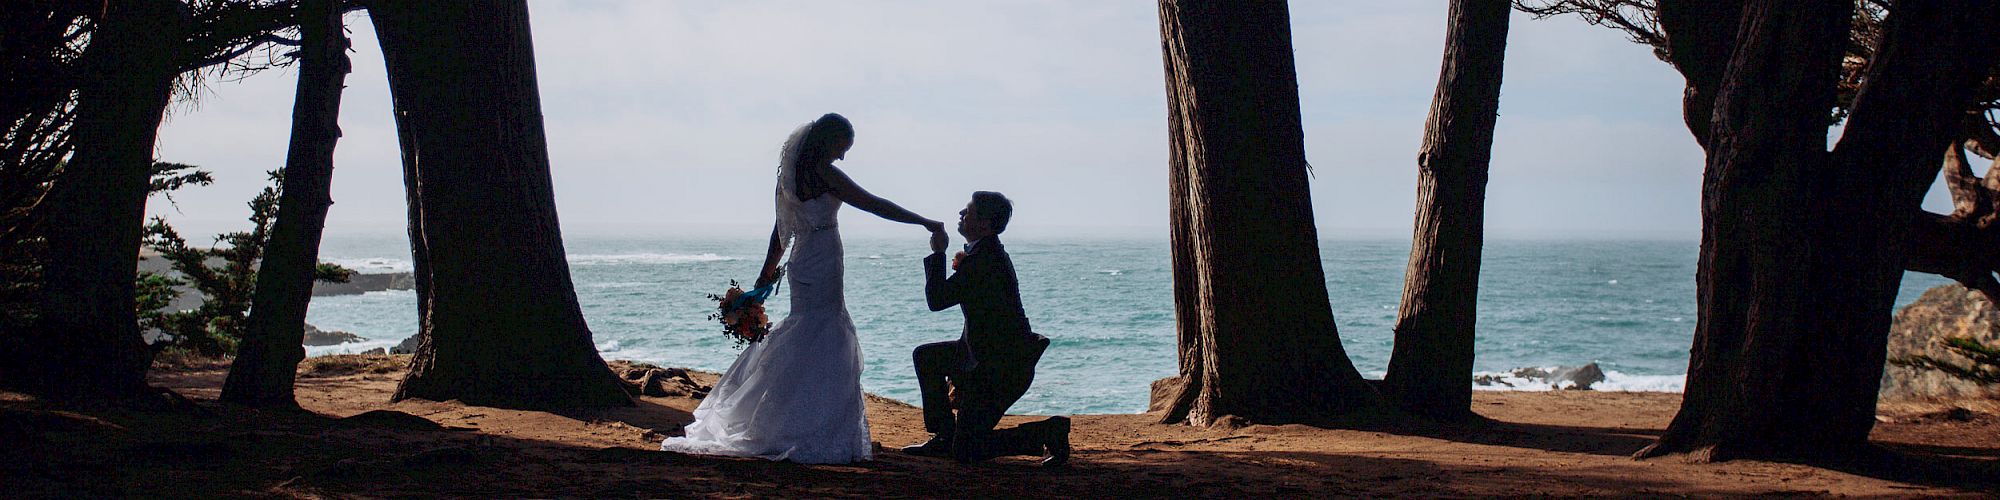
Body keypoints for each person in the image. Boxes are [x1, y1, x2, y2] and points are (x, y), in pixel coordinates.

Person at [662, 113, 946, 464]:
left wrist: (764, 277)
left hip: (802, 258)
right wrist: (923, 221)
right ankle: (813, 423)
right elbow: (873, 203)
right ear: (829, 141)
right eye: (843, 148)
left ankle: (789, 416)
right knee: (825, 330)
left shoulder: (788, 179)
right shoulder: (826, 173)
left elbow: (779, 233)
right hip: (823, 256)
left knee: (808, 328)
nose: (843, 157)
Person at [902, 191, 1071, 466]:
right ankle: (945, 435)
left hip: (1001, 370)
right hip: (982, 358)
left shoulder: (984, 260)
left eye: (967, 211)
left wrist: (939, 253)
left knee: (967, 451)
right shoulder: (984, 252)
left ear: (984, 224)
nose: (960, 214)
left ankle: (1046, 432)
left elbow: (937, 300)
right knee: (926, 356)